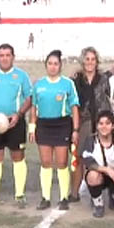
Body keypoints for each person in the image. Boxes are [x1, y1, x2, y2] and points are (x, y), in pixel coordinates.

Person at [0, 43, 33, 208]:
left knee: (18, 157)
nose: (4, 58)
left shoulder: (21, 76)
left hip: (14, 122)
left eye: (7, 55)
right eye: (1, 55)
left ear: (13, 57)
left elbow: (29, 98)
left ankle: (20, 194)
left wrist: (19, 114)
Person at [31, 50, 80, 211]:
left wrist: (75, 129)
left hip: (62, 125)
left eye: (56, 64)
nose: (53, 67)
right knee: (45, 162)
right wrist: (32, 127)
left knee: (61, 162)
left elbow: (74, 108)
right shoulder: (39, 84)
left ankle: (63, 197)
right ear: (46, 65)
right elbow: (34, 107)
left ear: (60, 65)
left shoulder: (67, 83)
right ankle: (45, 198)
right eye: (50, 64)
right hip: (43, 125)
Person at [71, 47, 110, 202]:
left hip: (102, 122)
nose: (90, 62)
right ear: (82, 61)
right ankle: (74, 192)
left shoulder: (104, 79)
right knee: (79, 158)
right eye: (87, 59)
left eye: (93, 59)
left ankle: (106, 193)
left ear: (97, 61)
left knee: (103, 156)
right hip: (83, 123)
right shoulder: (75, 80)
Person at [81, 111, 114, 218]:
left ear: (113, 125)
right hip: (101, 174)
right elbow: (88, 162)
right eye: (101, 123)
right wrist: (108, 170)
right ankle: (98, 203)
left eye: (108, 123)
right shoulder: (91, 140)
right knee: (93, 176)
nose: (104, 126)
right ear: (97, 126)